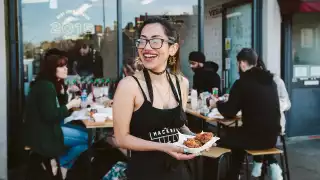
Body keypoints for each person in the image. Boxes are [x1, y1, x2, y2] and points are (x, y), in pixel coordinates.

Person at [113, 17, 196, 180]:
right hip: (145, 173)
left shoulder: (181, 83)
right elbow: (122, 138)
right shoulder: (128, 86)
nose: (147, 48)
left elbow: (179, 126)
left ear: (173, 48)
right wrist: (163, 147)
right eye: (142, 41)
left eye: (155, 41)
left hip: (179, 172)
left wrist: (196, 139)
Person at [209, 48, 282, 180]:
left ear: (242, 63)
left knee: (220, 138)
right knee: (238, 139)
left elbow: (229, 112)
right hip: (272, 138)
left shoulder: (241, 83)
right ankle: (236, 174)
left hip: (254, 138)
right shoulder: (271, 82)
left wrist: (216, 104)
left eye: (237, 64)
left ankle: (232, 175)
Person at [24, 49, 89, 179]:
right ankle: (63, 163)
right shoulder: (46, 87)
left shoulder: (47, 84)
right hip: (45, 133)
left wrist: (65, 90)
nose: (66, 69)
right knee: (88, 139)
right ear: (52, 69)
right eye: (61, 66)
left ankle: (62, 164)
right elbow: (52, 115)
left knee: (86, 136)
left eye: (65, 66)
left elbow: (57, 109)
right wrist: (70, 105)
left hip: (45, 129)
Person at [250, 58, 291, 179]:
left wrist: (271, 105)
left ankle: (260, 161)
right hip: (257, 123)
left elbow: (287, 103)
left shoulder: (276, 80)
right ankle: (271, 163)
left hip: (274, 125)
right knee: (252, 130)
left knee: (258, 132)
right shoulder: (250, 83)